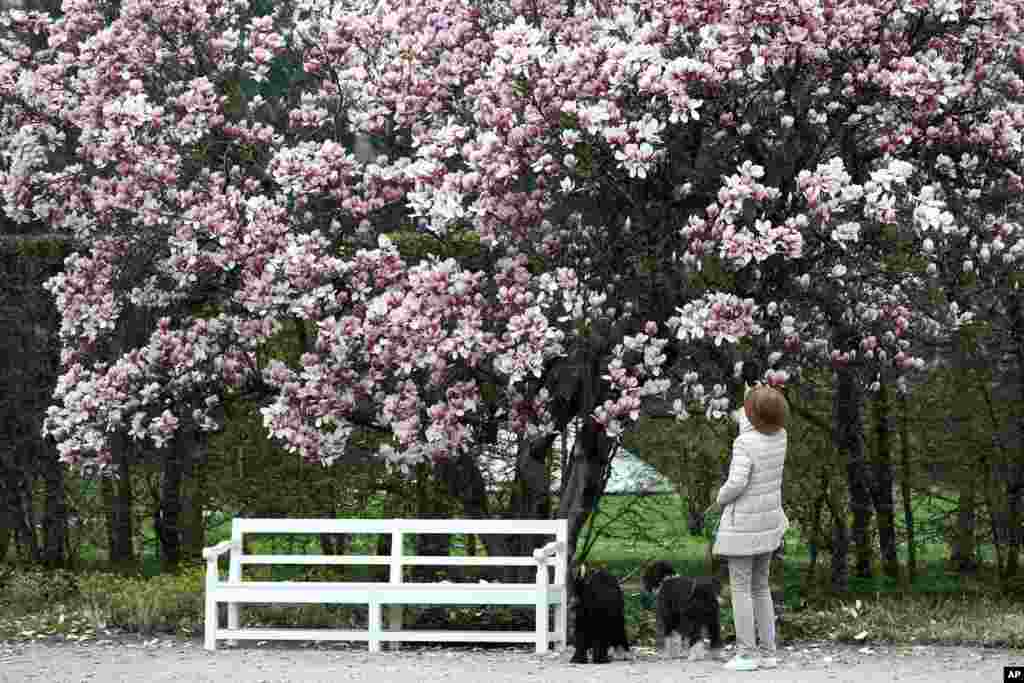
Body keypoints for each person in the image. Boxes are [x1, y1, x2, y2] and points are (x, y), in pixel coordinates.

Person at [707, 385, 789, 672]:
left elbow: (737, 483)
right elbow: (757, 431)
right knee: (761, 586)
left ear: (752, 416)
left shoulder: (744, 444)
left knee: (740, 588)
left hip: (743, 524)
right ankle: (768, 653)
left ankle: (746, 653)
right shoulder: (780, 436)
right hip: (768, 522)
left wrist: (719, 499)